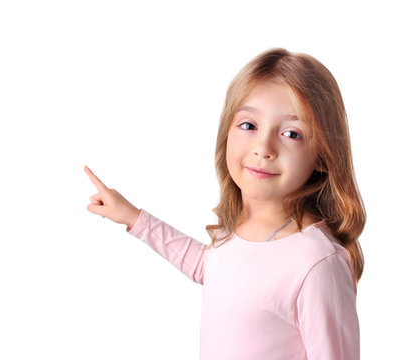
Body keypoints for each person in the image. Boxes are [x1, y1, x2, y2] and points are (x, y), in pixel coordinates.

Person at [84, 47, 365, 360]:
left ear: (324, 155)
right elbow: (212, 268)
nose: (263, 147)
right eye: (249, 125)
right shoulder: (241, 230)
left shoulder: (316, 262)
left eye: (291, 133)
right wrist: (133, 217)